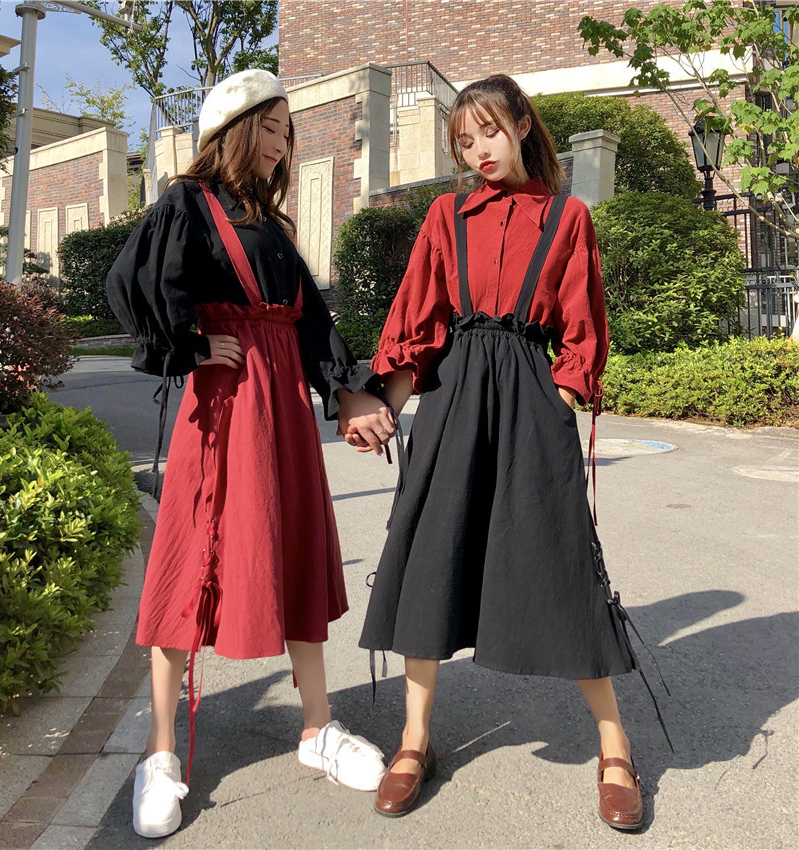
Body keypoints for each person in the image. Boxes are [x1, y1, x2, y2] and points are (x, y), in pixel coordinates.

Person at [345, 74, 651, 830]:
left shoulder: (568, 217)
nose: (478, 150)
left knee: (561, 563)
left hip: (530, 404)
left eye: (489, 131)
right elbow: (419, 323)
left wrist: (560, 401)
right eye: (463, 141)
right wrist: (382, 406)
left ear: (520, 125)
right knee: (431, 558)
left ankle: (615, 747)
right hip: (451, 402)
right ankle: (414, 741)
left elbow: (582, 327)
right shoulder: (446, 217)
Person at [106, 69, 393, 839]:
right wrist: (192, 345)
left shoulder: (272, 224)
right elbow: (130, 283)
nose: (281, 142)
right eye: (270, 126)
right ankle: (159, 751)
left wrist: (349, 393)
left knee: (294, 551)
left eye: (287, 130)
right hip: (225, 408)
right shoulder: (187, 203)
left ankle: (317, 728)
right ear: (233, 131)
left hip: (284, 412)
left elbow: (312, 322)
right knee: (187, 563)